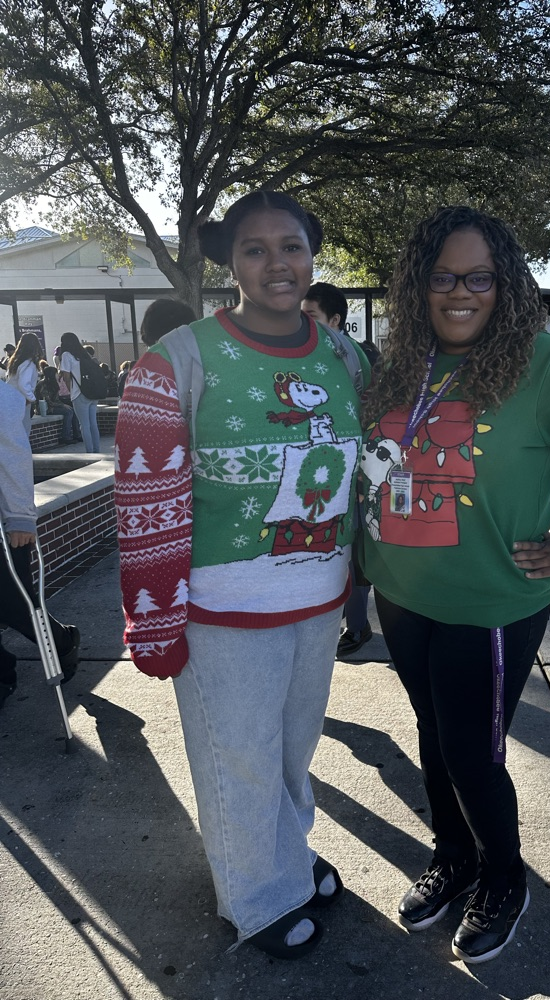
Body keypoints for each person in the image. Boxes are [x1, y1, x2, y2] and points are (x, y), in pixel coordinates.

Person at [359, 206, 550, 965]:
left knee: (472, 751)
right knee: (434, 738)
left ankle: (503, 876)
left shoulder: (545, 365)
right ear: (417, 284)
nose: (459, 291)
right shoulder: (400, 361)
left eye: (479, 277)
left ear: (506, 285)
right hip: (399, 590)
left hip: (490, 603)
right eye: (442, 276)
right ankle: (454, 856)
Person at [114, 190, 370, 959]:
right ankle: (255, 899)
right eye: (254, 250)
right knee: (239, 757)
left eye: (290, 246)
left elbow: (361, 473)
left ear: (312, 255)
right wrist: (154, 615)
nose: (276, 264)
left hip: (319, 599)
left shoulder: (342, 356)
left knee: (292, 750)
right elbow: (144, 495)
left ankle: (281, 857)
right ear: (232, 263)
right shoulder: (178, 360)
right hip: (221, 610)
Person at [302, 282, 379, 657]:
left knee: (355, 550)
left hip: (354, 474)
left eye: (310, 317)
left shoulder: (353, 357)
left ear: (335, 320)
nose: (302, 325)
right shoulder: (300, 357)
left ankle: (359, 625)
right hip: (320, 474)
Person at [0, 380, 80, 709]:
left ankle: (61, 641)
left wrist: (20, 516)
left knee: (14, 600)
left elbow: (12, 453)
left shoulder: (4, 396)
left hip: (5, 522)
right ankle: (3, 672)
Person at [59, 331, 101, 452]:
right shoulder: (84, 353)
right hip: (92, 394)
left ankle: (89, 452)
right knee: (93, 424)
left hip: (79, 393)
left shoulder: (67, 355)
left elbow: (66, 377)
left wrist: (71, 390)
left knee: (84, 425)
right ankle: (97, 450)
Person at [6, 332, 43, 434]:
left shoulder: (16, 361)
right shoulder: (29, 363)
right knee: (24, 430)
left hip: (11, 398)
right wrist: (31, 398)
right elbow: (23, 384)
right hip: (22, 399)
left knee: (14, 430)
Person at [36, 361, 75, 444]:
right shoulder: (43, 384)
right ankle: (65, 437)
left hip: (53, 406)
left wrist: (63, 405)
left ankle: (76, 434)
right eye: (56, 373)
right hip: (44, 408)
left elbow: (56, 399)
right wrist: (62, 405)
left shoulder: (54, 383)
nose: (58, 375)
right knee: (68, 412)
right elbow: (48, 401)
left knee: (71, 409)